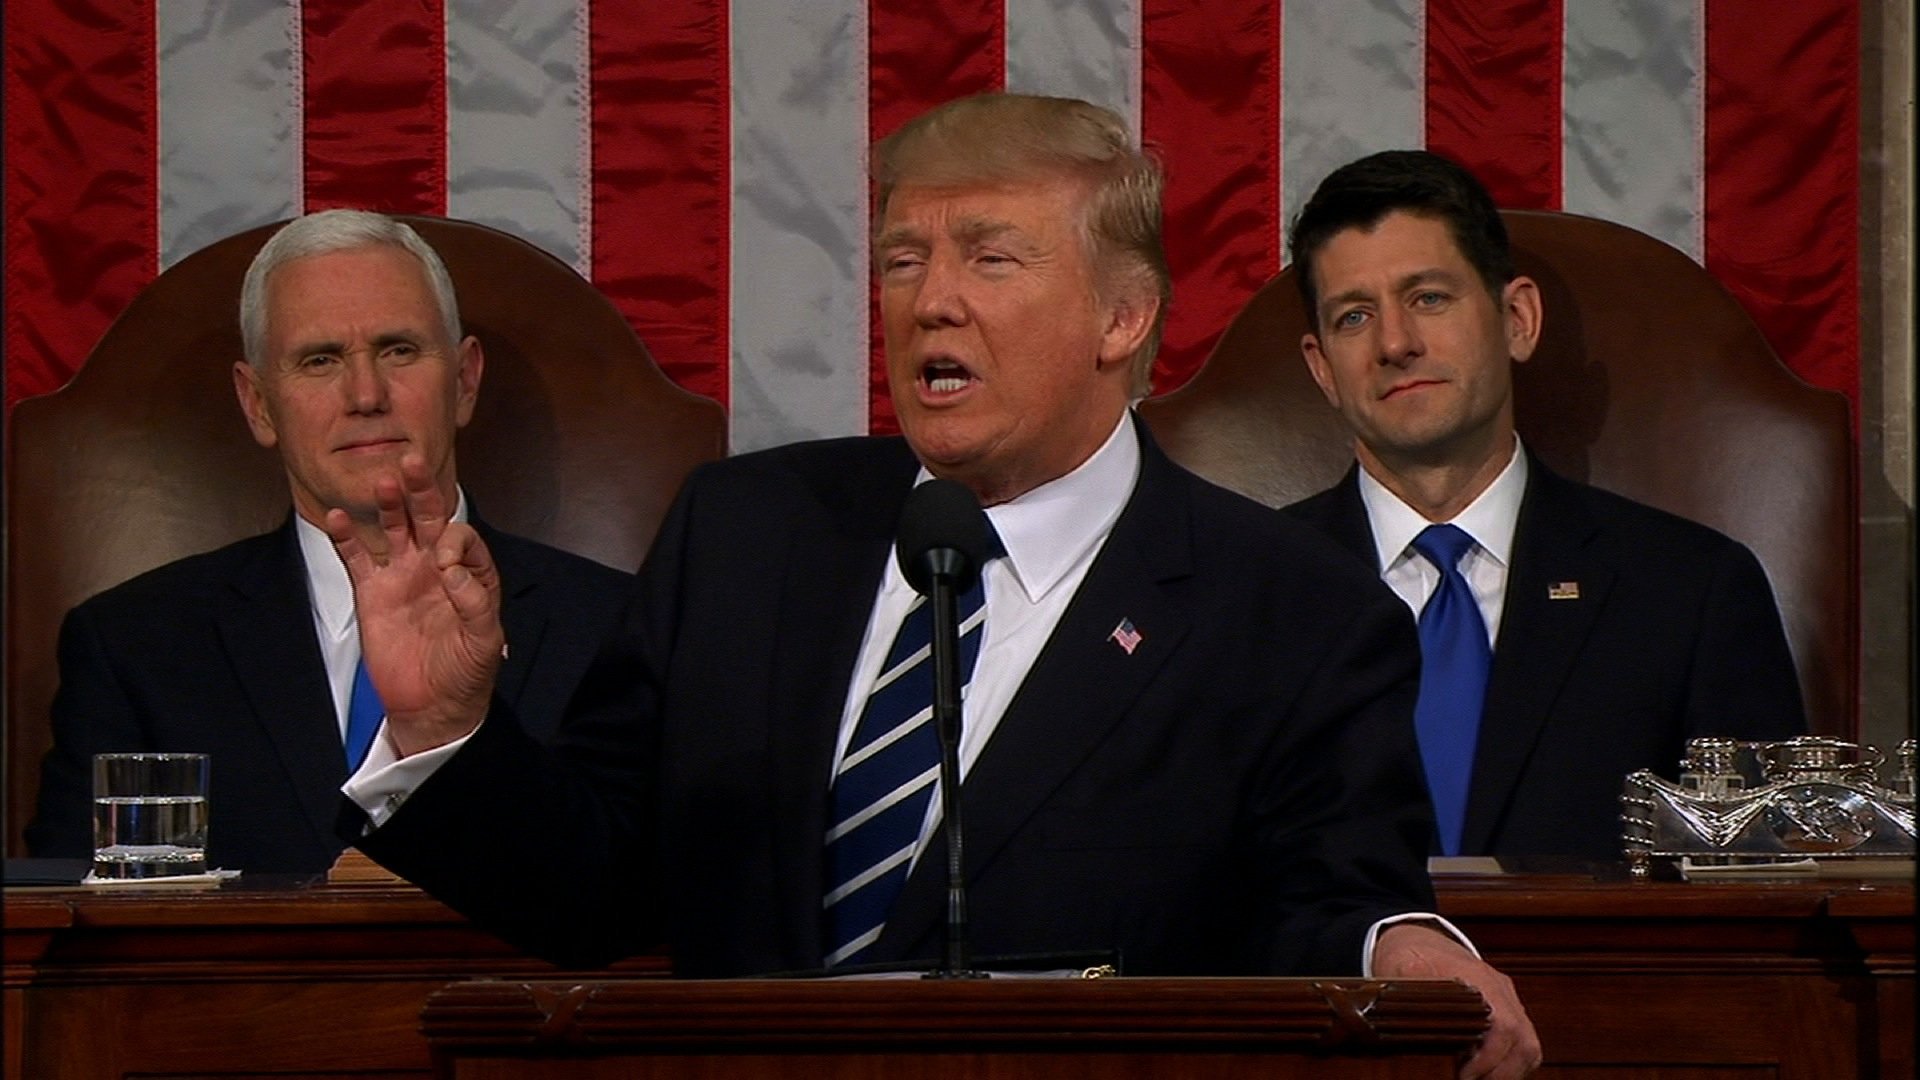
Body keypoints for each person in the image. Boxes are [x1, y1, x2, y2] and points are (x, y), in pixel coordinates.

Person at [336, 97, 1538, 1078]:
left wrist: (1409, 951)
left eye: (990, 257)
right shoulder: (746, 534)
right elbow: (590, 891)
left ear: (1125, 317)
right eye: (905, 258)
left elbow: (1331, 904)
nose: (931, 299)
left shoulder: (1290, 610)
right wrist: (449, 732)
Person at [25, 209, 632, 876]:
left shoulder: (616, 626)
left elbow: (656, 897)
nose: (366, 394)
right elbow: (71, 930)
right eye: (320, 360)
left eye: (399, 350)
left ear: (463, 381)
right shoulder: (134, 647)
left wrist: (447, 732)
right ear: (258, 404)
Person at [1282, 150, 1806, 860]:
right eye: (1354, 317)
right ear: (1322, 369)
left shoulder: (1692, 594)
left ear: (1518, 319)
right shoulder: (1248, 595)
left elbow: (1759, 901)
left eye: (1429, 298)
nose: (1396, 344)